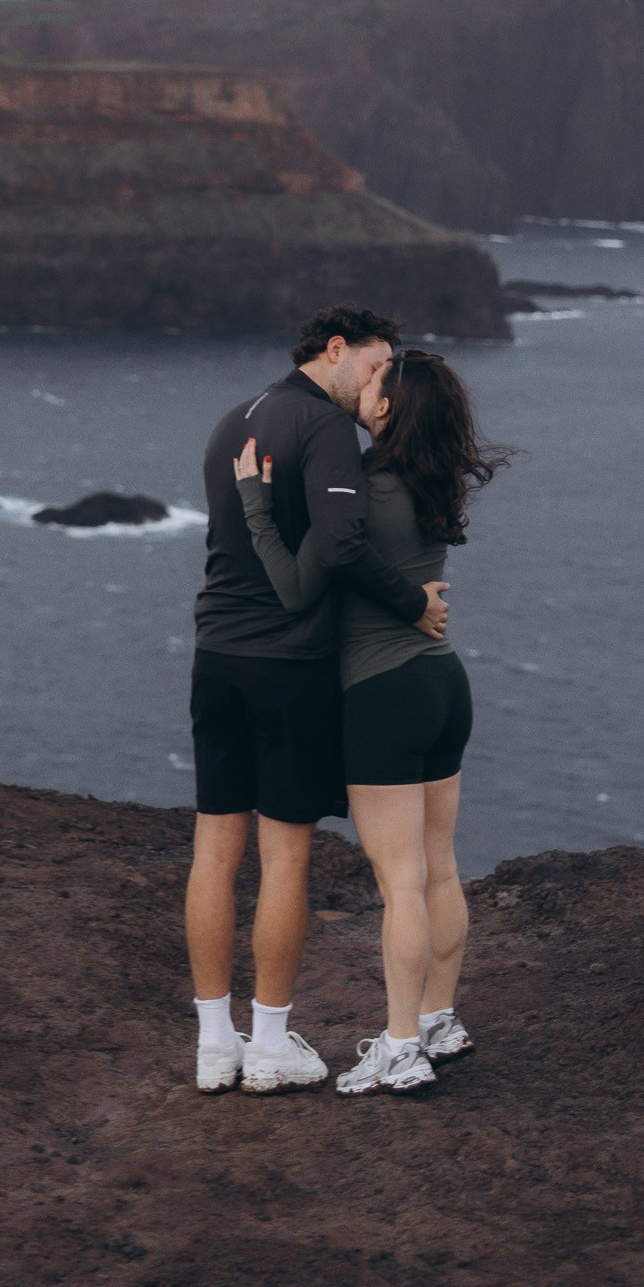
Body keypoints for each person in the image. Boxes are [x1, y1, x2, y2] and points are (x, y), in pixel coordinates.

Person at [186, 305, 448, 1094]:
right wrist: (412, 603)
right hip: (288, 662)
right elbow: (338, 545)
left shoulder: (232, 420)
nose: (380, 385)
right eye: (374, 367)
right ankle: (267, 1047)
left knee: (212, 850)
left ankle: (212, 1047)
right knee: (284, 853)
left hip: (214, 651)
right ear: (335, 352)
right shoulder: (324, 427)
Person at [236, 347, 503, 1096]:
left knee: (402, 884)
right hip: (444, 685)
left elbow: (294, 588)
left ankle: (399, 1045)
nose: (365, 385)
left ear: (391, 408)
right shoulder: (432, 484)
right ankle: (440, 1020)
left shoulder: (357, 493)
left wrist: (258, 507)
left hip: (383, 694)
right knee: (441, 866)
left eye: (379, 381)